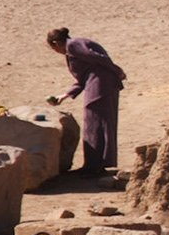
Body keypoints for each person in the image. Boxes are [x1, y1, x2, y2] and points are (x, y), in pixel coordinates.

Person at [47, 28, 125, 175]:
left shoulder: (73, 45)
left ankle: (95, 166)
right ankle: (98, 164)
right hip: (99, 84)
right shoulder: (74, 48)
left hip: (100, 85)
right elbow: (84, 77)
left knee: (95, 122)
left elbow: (99, 59)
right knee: (98, 122)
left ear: (56, 43)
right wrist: (64, 96)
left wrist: (117, 71)